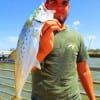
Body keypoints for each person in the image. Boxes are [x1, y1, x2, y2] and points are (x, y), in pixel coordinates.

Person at [31, 0, 96, 100]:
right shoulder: (33, 35)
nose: (60, 8)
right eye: (54, 3)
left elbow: (84, 71)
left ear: (69, 7)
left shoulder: (77, 37)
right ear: (46, 6)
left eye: (64, 3)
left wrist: (93, 98)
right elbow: (24, 70)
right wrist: (43, 51)